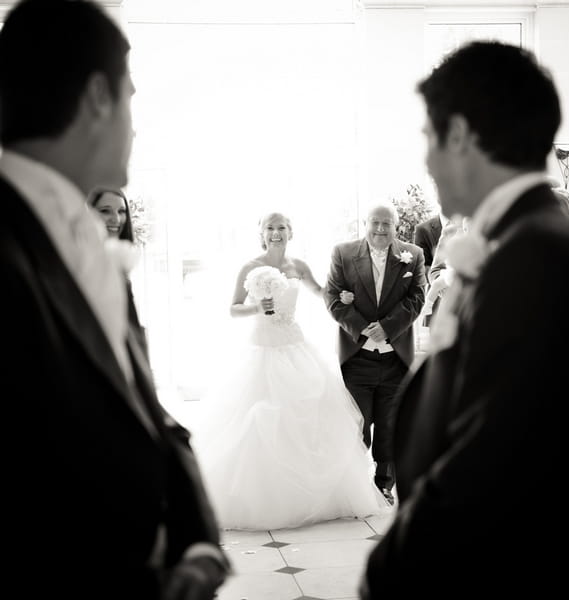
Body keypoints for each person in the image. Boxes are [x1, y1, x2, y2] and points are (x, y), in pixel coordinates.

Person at [0, 1, 229, 598]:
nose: (135, 123)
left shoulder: (89, 241)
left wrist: (198, 539)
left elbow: (140, 407)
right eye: (131, 98)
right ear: (99, 97)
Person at [361, 41, 569, 598]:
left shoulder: (535, 255)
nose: (425, 159)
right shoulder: (519, 239)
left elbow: (491, 463)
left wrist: (385, 574)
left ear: (462, 135)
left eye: (428, 138)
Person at [186, 212, 390, 531]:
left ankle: (319, 499)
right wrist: (257, 307)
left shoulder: (298, 266)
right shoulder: (250, 267)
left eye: (281, 227)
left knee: (311, 415)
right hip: (261, 349)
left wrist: (344, 296)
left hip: (295, 347)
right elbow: (233, 307)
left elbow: (324, 293)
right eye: (270, 227)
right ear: (262, 233)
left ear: (290, 232)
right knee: (258, 420)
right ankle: (264, 499)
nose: (276, 232)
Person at [324, 203, 427, 506]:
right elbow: (332, 297)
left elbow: (417, 296)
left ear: (397, 227)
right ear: (365, 223)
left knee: (390, 427)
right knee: (357, 425)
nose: (380, 229)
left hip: (396, 358)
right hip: (358, 358)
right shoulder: (343, 253)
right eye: (375, 223)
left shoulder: (413, 255)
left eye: (387, 224)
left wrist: (388, 328)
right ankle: (353, 489)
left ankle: (384, 485)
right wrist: (365, 329)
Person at [89, 186, 149, 355]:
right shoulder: (85, 259)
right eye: (105, 211)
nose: (116, 219)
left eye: (121, 211)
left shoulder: (122, 259)